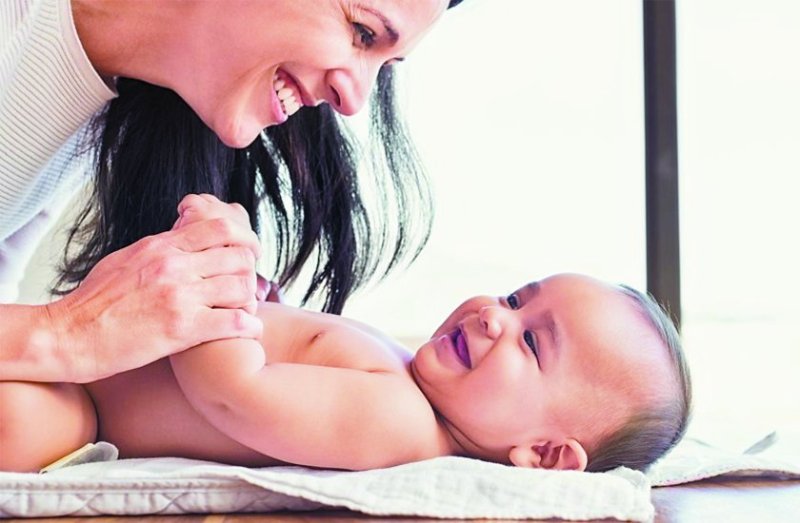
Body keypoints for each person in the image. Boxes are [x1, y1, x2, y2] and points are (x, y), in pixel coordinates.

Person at [0, 0, 463, 385]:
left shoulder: (99, 98)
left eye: (384, 67)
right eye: (363, 32)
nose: (355, 101)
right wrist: (66, 332)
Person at [0, 273, 692, 473]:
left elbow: (234, 394)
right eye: (515, 298)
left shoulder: (401, 424)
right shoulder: (409, 380)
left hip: (88, 407)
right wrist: (267, 306)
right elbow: (292, 358)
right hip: (94, 360)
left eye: (532, 342)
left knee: (21, 421)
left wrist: (216, 280)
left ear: (544, 455)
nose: (492, 316)